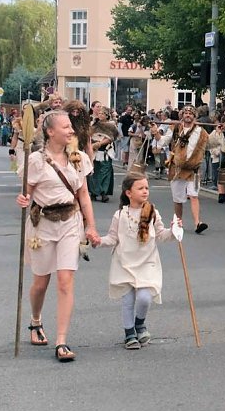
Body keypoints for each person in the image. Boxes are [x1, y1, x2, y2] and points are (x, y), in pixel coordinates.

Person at [15, 110, 100, 362]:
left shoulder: (79, 159)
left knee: (65, 280)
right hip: (42, 225)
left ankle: (61, 340)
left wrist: (91, 226)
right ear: (50, 131)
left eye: (71, 126)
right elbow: (26, 194)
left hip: (70, 224)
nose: (71, 130)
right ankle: (36, 320)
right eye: (66, 127)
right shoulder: (36, 161)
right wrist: (22, 199)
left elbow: (83, 195)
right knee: (41, 282)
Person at [94, 172, 180, 349]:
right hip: (124, 263)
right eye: (140, 188)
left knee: (144, 298)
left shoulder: (152, 212)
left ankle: (140, 323)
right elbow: (112, 238)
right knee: (128, 300)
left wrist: (174, 231)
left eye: (147, 187)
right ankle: (129, 333)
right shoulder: (120, 215)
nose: (145, 191)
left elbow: (161, 235)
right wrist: (97, 241)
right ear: (128, 193)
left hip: (147, 263)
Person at [155, 104, 210, 233]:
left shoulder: (200, 131)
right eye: (186, 113)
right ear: (182, 115)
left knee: (194, 195)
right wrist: (155, 132)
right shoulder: (175, 129)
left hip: (193, 169)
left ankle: (198, 223)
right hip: (177, 168)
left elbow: (210, 143)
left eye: (190, 113)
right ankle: (179, 222)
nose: (188, 115)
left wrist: (219, 132)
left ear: (194, 116)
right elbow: (163, 141)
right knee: (178, 198)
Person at [88, 107, 118, 202]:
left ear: (106, 115)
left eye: (102, 113)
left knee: (105, 171)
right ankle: (93, 192)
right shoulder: (94, 124)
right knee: (94, 171)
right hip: (94, 150)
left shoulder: (111, 126)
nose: (100, 115)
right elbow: (89, 135)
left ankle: (103, 192)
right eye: (99, 113)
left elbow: (111, 137)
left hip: (105, 150)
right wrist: (92, 144)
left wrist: (100, 143)